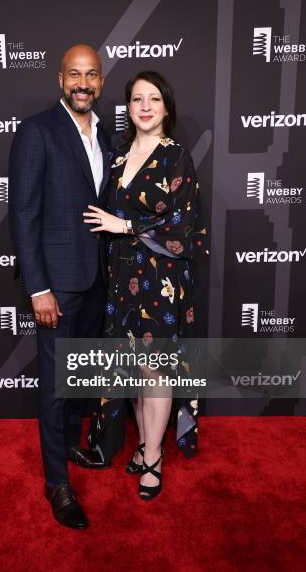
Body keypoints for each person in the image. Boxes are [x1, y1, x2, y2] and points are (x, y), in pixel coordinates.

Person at [83, 70, 207, 500]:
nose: (146, 106)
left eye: (154, 98)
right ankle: (142, 444)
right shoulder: (117, 159)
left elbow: (184, 227)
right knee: (135, 369)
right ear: (129, 108)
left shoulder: (177, 158)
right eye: (138, 99)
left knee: (155, 369)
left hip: (162, 279)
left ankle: (153, 457)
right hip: (123, 278)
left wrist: (125, 224)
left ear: (166, 107)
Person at [8, 44, 112, 530]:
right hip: (57, 284)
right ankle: (57, 482)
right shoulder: (36, 131)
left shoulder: (106, 134)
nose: (83, 83)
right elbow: (24, 213)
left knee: (78, 378)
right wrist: (37, 288)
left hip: (96, 280)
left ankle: (72, 441)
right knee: (53, 384)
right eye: (75, 74)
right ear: (60, 79)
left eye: (91, 75)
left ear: (101, 81)